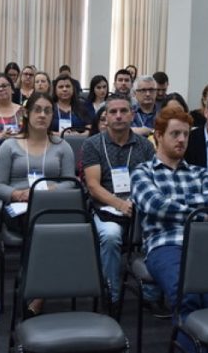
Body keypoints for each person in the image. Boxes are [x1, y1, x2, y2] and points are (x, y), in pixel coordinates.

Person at [131, 107, 208, 353]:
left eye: (186, 135)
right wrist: (198, 212)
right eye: (175, 134)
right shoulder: (142, 173)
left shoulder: (199, 172)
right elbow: (154, 205)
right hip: (164, 244)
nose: (182, 140)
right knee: (186, 294)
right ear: (158, 135)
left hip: (202, 245)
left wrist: (177, 209)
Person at [0, 92, 76, 314]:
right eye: (37, 109)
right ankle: (40, 290)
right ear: (27, 113)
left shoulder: (62, 146)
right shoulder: (9, 146)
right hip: (20, 208)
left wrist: (51, 189)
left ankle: (36, 290)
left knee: (55, 225)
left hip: (52, 204)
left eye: (48, 111)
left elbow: (72, 183)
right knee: (43, 226)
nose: (42, 115)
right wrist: (19, 194)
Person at [81, 95, 167, 315]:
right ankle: (112, 294)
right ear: (105, 118)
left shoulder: (145, 146)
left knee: (162, 231)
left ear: (132, 115)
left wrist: (137, 203)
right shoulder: (92, 144)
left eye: (124, 111)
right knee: (110, 237)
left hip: (139, 206)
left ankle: (151, 293)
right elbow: (93, 186)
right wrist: (120, 204)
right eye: (113, 112)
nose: (118, 116)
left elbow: (153, 180)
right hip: (106, 207)